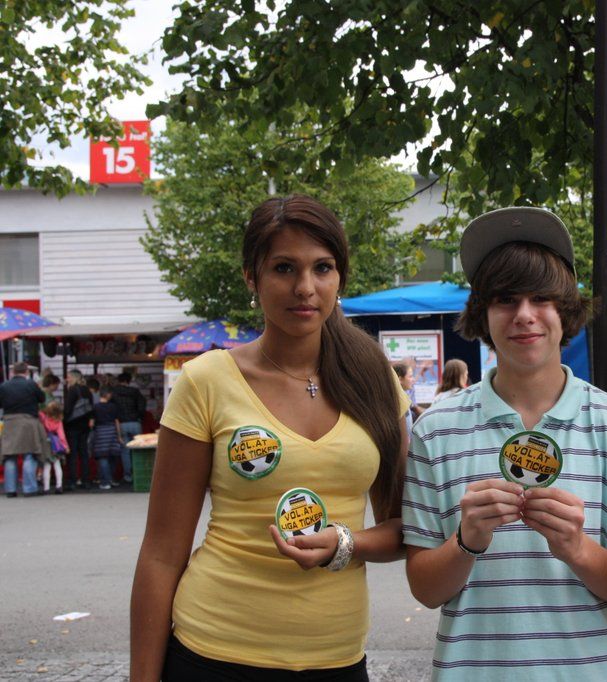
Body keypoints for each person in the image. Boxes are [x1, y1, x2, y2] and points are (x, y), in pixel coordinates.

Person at [130, 195, 410, 681]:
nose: (305, 287)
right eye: (284, 268)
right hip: (213, 655)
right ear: (251, 278)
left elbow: (406, 529)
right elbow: (160, 553)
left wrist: (345, 542)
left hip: (337, 660)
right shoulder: (207, 381)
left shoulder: (375, 380)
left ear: (340, 278)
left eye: (322, 268)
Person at [402, 207, 607, 680]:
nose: (524, 315)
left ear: (566, 310)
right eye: (505, 299)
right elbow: (425, 589)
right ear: (483, 314)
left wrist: (577, 548)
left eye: (541, 298)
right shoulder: (434, 430)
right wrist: (467, 541)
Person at [0, 362, 49, 498]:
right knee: (30, 454)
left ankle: (10, 489)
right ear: (27, 372)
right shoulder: (31, 385)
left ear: (13, 372)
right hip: (29, 422)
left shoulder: (4, 386)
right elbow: (42, 398)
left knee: (10, 456)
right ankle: (29, 489)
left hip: (10, 422)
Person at [112, 372, 147, 484]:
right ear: (129, 381)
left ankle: (128, 476)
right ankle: (139, 474)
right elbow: (142, 407)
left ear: (119, 381)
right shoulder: (135, 392)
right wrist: (138, 416)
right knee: (138, 449)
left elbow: (112, 409)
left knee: (125, 451)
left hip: (122, 423)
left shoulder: (114, 393)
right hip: (135, 423)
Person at [63, 369, 93, 489]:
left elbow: (68, 409)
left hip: (73, 425)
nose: (67, 379)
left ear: (74, 378)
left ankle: (73, 480)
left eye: (68, 377)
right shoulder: (87, 390)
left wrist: (64, 421)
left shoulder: (72, 390)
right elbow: (91, 407)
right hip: (85, 425)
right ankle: (86, 480)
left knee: (73, 454)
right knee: (84, 452)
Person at [90, 387, 123, 490]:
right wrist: (119, 436)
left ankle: (105, 481)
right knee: (113, 456)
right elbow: (117, 421)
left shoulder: (95, 407)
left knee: (102, 457)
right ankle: (110, 478)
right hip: (112, 431)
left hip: (100, 432)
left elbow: (91, 423)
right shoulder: (113, 407)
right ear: (108, 395)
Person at [39, 401, 69, 494]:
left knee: (47, 466)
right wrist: (66, 446)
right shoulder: (58, 421)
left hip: (46, 444)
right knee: (57, 465)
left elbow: (39, 413)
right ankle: (59, 486)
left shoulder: (44, 418)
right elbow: (61, 435)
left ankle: (46, 488)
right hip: (56, 445)